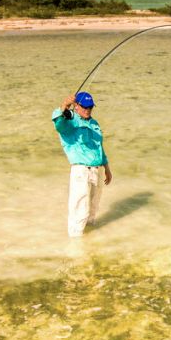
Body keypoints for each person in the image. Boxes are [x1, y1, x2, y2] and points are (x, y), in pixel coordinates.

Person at [53, 91, 113, 237]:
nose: (88, 110)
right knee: (80, 209)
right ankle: (75, 243)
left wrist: (107, 168)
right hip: (81, 170)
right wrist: (64, 107)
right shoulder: (70, 121)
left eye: (90, 107)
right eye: (84, 107)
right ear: (77, 106)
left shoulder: (94, 123)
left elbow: (99, 147)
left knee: (93, 208)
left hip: (97, 170)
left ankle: (89, 240)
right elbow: (58, 124)